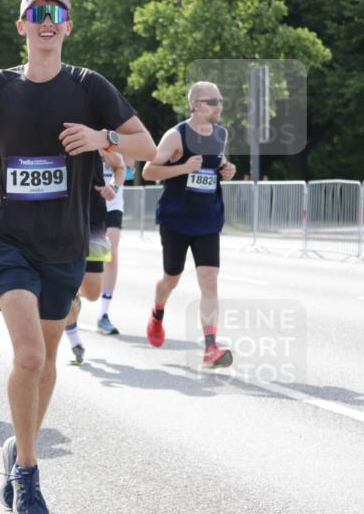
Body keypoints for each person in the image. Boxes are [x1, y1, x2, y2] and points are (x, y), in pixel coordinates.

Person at [0, 0, 156, 514]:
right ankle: (28, 471)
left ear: (68, 26)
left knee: (48, 361)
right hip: (10, 237)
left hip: (68, 242)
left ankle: (15, 446)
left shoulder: (88, 86)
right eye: (37, 12)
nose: (47, 21)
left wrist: (104, 138)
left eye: (57, 13)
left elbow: (147, 146)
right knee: (29, 355)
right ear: (22, 25)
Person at [142, 81, 237, 368]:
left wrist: (227, 170)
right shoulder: (176, 135)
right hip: (176, 219)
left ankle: (210, 348)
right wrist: (183, 167)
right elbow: (148, 171)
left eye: (220, 100)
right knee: (171, 278)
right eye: (213, 101)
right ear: (196, 105)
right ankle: (157, 312)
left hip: (208, 218)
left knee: (209, 281)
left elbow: (217, 166)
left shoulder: (221, 134)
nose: (219, 105)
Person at [64, 150, 124, 362]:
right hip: (60, 217)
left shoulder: (101, 142)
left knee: (91, 292)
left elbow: (120, 167)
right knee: (63, 291)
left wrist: (114, 187)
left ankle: (73, 294)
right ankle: (74, 340)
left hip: (94, 218)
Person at [96, 150, 127, 336]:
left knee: (111, 252)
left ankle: (104, 314)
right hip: (85, 205)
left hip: (112, 204)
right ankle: (74, 296)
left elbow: (126, 164)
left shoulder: (117, 133)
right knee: (80, 256)